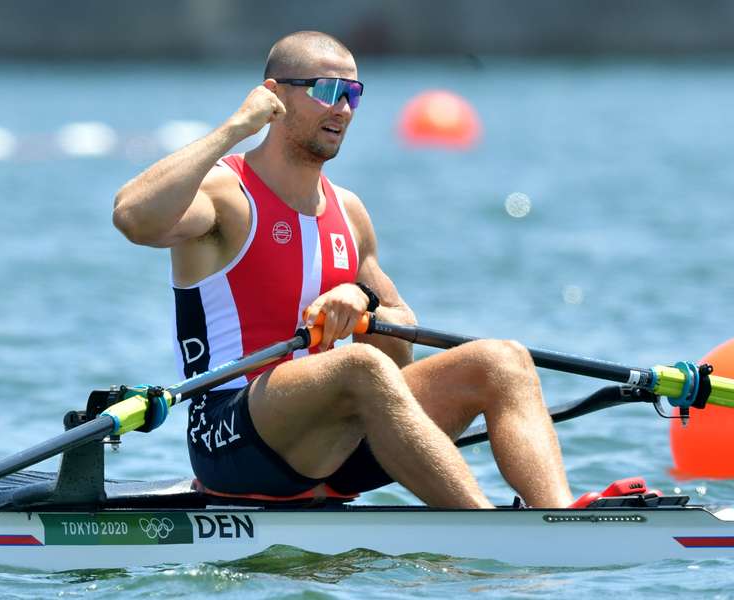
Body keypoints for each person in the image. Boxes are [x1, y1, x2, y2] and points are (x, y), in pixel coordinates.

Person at [113, 31, 574, 509]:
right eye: (328, 91)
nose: (344, 110)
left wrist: (364, 303)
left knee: (503, 360)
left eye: (353, 94)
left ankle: (560, 521)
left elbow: (398, 358)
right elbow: (131, 217)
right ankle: (483, 527)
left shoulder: (349, 213)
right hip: (228, 434)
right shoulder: (224, 196)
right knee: (360, 366)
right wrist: (234, 128)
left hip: (333, 439)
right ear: (274, 96)